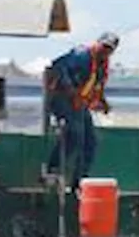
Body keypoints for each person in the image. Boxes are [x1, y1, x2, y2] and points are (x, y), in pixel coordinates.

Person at [41, 31, 119, 191]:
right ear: (97, 43)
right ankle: (52, 169)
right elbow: (59, 68)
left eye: (109, 49)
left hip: (79, 102)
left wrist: (102, 102)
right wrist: (72, 94)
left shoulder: (101, 65)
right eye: (104, 47)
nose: (105, 51)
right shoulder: (81, 55)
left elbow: (96, 85)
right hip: (62, 98)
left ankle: (80, 179)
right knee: (76, 134)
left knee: (90, 141)